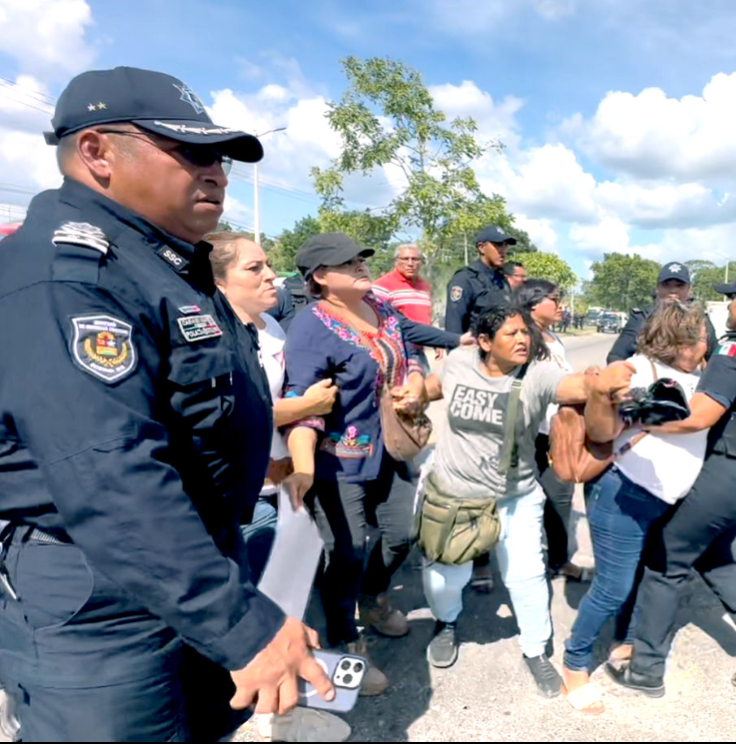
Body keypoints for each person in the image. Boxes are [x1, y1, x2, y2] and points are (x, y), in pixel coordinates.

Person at [0, 66, 332, 741]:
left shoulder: (160, 265)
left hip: (187, 567)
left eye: (221, 158)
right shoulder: (67, 277)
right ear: (96, 151)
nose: (216, 172)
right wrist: (241, 624)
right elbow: (107, 474)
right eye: (192, 152)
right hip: (101, 603)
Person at [610, 270, 736, 697]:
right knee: (714, 554)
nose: (729, 307)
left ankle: (645, 669)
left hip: (727, 474)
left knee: (665, 561)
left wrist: (636, 418)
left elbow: (698, 416)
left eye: (733, 299)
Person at [419, 304, 633, 696]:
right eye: (511, 334)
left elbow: (574, 387)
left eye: (524, 332)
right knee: (447, 577)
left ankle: (535, 650)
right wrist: (411, 393)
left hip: (515, 496)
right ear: (484, 342)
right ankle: (446, 622)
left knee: (527, 577)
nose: (522, 339)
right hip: (455, 495)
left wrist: (601, 384)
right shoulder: (459, 363)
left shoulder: (537, 373)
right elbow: (432, 388)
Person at [207, 232, 351, 742]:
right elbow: (236, 416)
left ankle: (285, 711)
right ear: (219, 280)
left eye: (268, 265)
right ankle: (258, 713)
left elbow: (281, 409)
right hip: (240, 499)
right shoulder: (211, 335)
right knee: (252, 610)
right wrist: (308, 405)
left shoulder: (271, 328)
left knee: (284, 601)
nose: (272, 276)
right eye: (255, 268)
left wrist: (298, 460)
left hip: (281, 487)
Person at [284, 233, 429, 696]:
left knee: (402, 534)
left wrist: (417, 382)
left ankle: (372, 598)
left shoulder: (382, 309)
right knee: (347, 553)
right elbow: (302, 403)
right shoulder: (311, 327)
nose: (361, 267)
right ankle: (346, 645)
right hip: (338, 461)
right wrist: (303, 467)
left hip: (390, 448)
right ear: (321, 278)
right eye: (347, 263)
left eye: (361, 259)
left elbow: (412, 355)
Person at [561, 300, 711, 715]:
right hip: (622, 490)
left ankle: (621, 639)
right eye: (697, 335)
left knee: (636, 578)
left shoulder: (696, 375)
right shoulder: (637, 369)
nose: (704, 342)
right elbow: (603, 428)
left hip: (662, 499)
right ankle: (574, 665)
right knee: (613, 586)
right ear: (677, 339)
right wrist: (625, 402)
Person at [446, 226, 516, 592]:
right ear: (481, 247)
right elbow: (453, 333)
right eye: (498, 244)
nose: (503, 250)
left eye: (507, 244)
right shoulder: (465, 280)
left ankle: (490, 543)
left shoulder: (503, 281)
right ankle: (473, 556)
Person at [514, 279, 590, 582]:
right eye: (554, 300)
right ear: (533, 304)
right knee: (510, 499)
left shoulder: (553, 338)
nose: (560, 306)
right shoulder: (520, 337)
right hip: (525, 432)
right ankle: (482, 563)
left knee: (559, 496)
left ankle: (558, 560)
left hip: (553, 432)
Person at [607, 262, 720, 363]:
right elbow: (617, 356)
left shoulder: (700, 320)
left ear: (689, 289)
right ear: (657, 288)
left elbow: (716, 361)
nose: (673, 290)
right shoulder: (642, 317)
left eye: (679, 285)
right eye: (666, 285)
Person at [372, 243, 434, 324]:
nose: (410, 264)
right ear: (396, 261)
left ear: (421, 262)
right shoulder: (382, 286)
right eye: (405, 259)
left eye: (415, 259)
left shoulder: (424, 286)